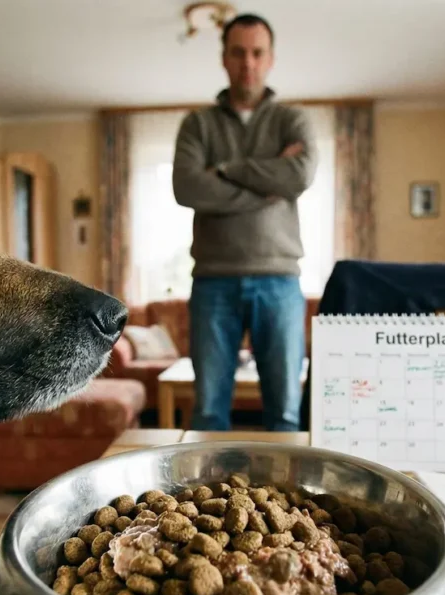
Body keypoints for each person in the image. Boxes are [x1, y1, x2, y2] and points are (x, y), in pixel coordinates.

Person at [172, 13, 317, 432]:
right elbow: (188, 188)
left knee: (285, 414)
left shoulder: (293, 120)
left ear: (271, 59)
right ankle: (204, 500)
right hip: (213, 282)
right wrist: (270, 184)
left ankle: (283, 500)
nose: (247, 62)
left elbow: (300, 175)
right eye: (238, 53)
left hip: (281, 282)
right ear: (224, 58)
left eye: (257, 53)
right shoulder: (197, 124)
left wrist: (225, 170)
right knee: (208, 413)